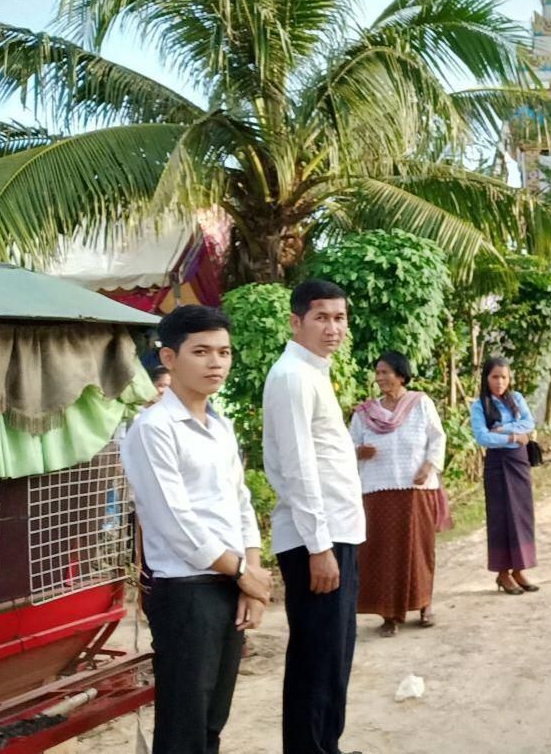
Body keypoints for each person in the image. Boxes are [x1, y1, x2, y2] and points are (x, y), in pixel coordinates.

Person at [121, 305, 272, 754]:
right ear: (169, 358)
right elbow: (175, 523)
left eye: (224, 352)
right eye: (201, 351)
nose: (216, 362)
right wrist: (242, 572)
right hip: (186, 592)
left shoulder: (220, 427)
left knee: (211, 721)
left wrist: (251, 577)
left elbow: (240, 503)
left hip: (229, 583)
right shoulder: (153, 429)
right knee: (183, 726)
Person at [263, 279, 366, 754]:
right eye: (321, 317)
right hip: (314, 540)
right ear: (296, 321)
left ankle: (329, 746)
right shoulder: (292, 377)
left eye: (339, 318)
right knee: (315, 656)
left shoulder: (314, 372)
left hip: (335, 532)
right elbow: (298, 468)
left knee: (334, 655)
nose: (333, 328)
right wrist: (319, 546)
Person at [351, 351, 446, 637]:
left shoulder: (420, 404)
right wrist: (359, 452)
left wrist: (428, 467)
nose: (380, 378)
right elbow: (346, 447)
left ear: (401, 375)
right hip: (377, 492)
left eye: (385, 372)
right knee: (383, 553)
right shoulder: (365, 413)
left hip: (416, 489)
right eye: (378, 373)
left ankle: (424, 605)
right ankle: (389, 614)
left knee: (419, 548)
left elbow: (437, 437)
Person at [471, 357, 538, 595]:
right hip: (497, 464)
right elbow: (483, 437)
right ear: (486, 378)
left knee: (522, 514)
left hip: (519, 462)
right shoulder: (480, 406)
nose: (499, 382)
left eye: (504, 377)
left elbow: (529, 423)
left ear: (509, 379)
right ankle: (502, 573)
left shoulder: (516, 399)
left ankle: (519, 570)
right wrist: (513, 437)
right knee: (500, 517)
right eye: (495, 377)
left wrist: (503, 429)